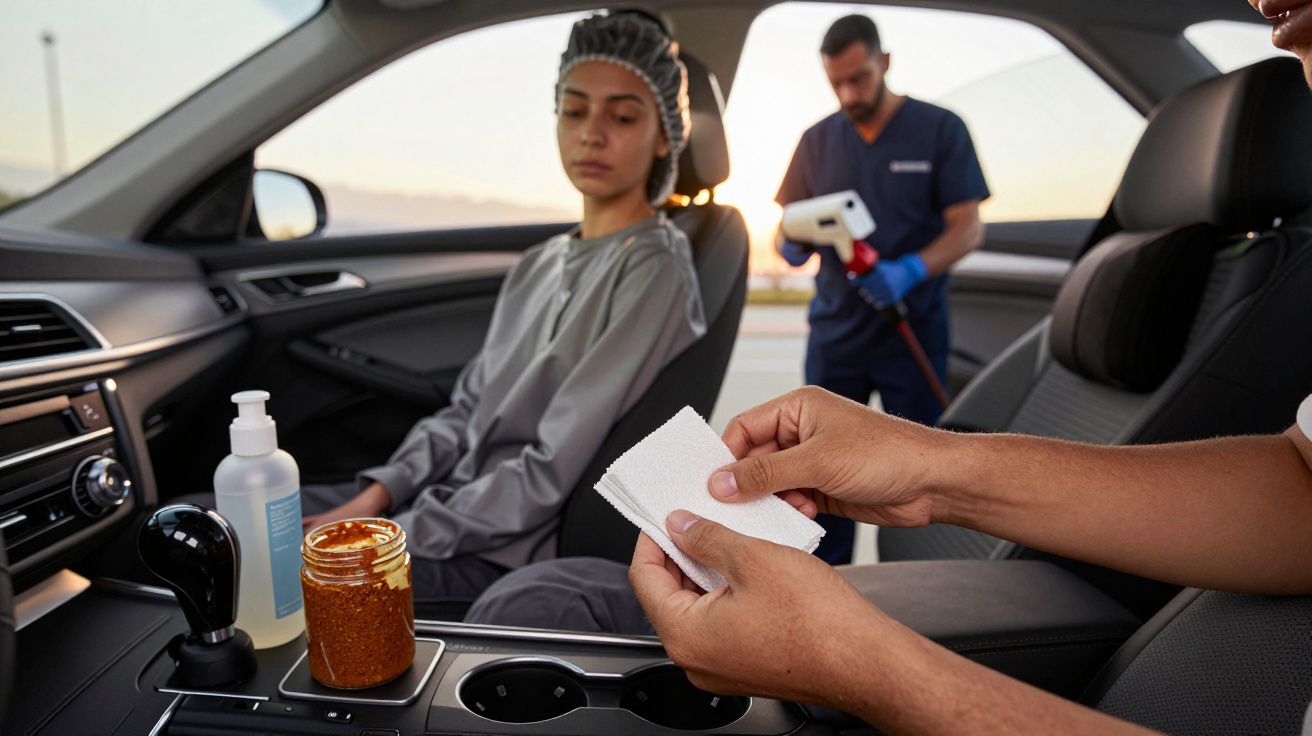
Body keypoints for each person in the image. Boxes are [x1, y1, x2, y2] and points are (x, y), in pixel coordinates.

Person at [292, 11, 706, 606]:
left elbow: (548, 471)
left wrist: (396, 535)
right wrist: (377, 497)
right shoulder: (538, 262)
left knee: (273, 569)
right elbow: (465, 412)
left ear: (666, 133)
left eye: (622, 116)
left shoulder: (654, 267)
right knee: (223, 522)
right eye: (574, 110)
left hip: (497, 549)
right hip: (439, 511)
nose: (592, 133)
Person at [775, 15, 989, 563]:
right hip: (835, 337)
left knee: (920, 481)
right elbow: (786, 224)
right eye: (837, 82)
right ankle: (828, 594)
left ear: (884, 62)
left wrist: (912, 269)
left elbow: (968, 226)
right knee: (823, 484)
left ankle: (916, 590)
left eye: (859, 78)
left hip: (911, 331)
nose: (849, 93)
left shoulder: (941, 129)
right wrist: (789, 243)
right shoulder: (817, 142)